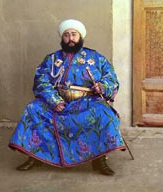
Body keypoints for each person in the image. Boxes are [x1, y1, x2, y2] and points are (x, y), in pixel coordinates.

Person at [8, 19, 125, 176]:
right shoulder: (51, 59)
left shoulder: (96, 58)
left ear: (80, 36)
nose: (70, 39)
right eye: (66, 35)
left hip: (87, 102)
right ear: (62, 38)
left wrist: (102, 86)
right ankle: (34, 155)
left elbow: (111, 79)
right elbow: (41, 81)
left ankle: (99, 159)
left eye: (74, 35)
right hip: (58, 101)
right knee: (33, 109)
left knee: (104, 113)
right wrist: (54, 101)